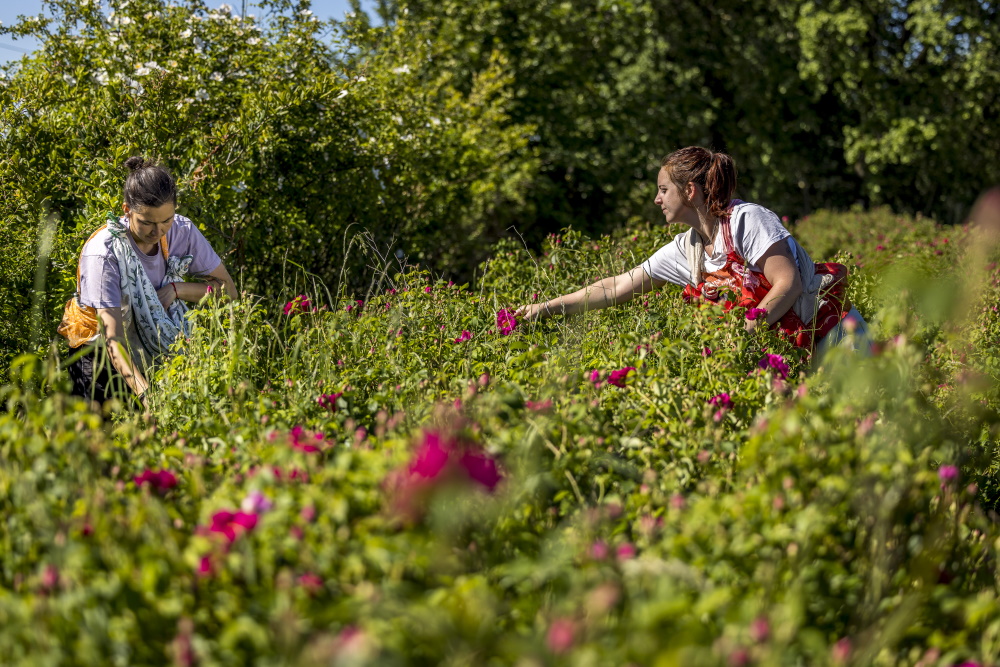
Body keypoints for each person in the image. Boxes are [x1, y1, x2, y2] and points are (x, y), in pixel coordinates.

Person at [515, 146, 869, 354]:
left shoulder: (747, 220)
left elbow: (787, 284)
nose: (656, 199)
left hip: (836, 339)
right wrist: (544, 308)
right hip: (794, 353)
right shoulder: (688, 249)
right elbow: (617, 287)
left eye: (662, 189)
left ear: (689, 191)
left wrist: (741, 335)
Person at [59, 157, 238, 406]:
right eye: (147, 222)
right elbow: (114, 339)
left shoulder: (182, 230)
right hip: (99, 355)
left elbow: (228, 291)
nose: (158, 231)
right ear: (127, 211)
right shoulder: (104, 251)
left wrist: (176, 289)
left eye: (166, 220)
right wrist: (146, 395)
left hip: (155, 348)